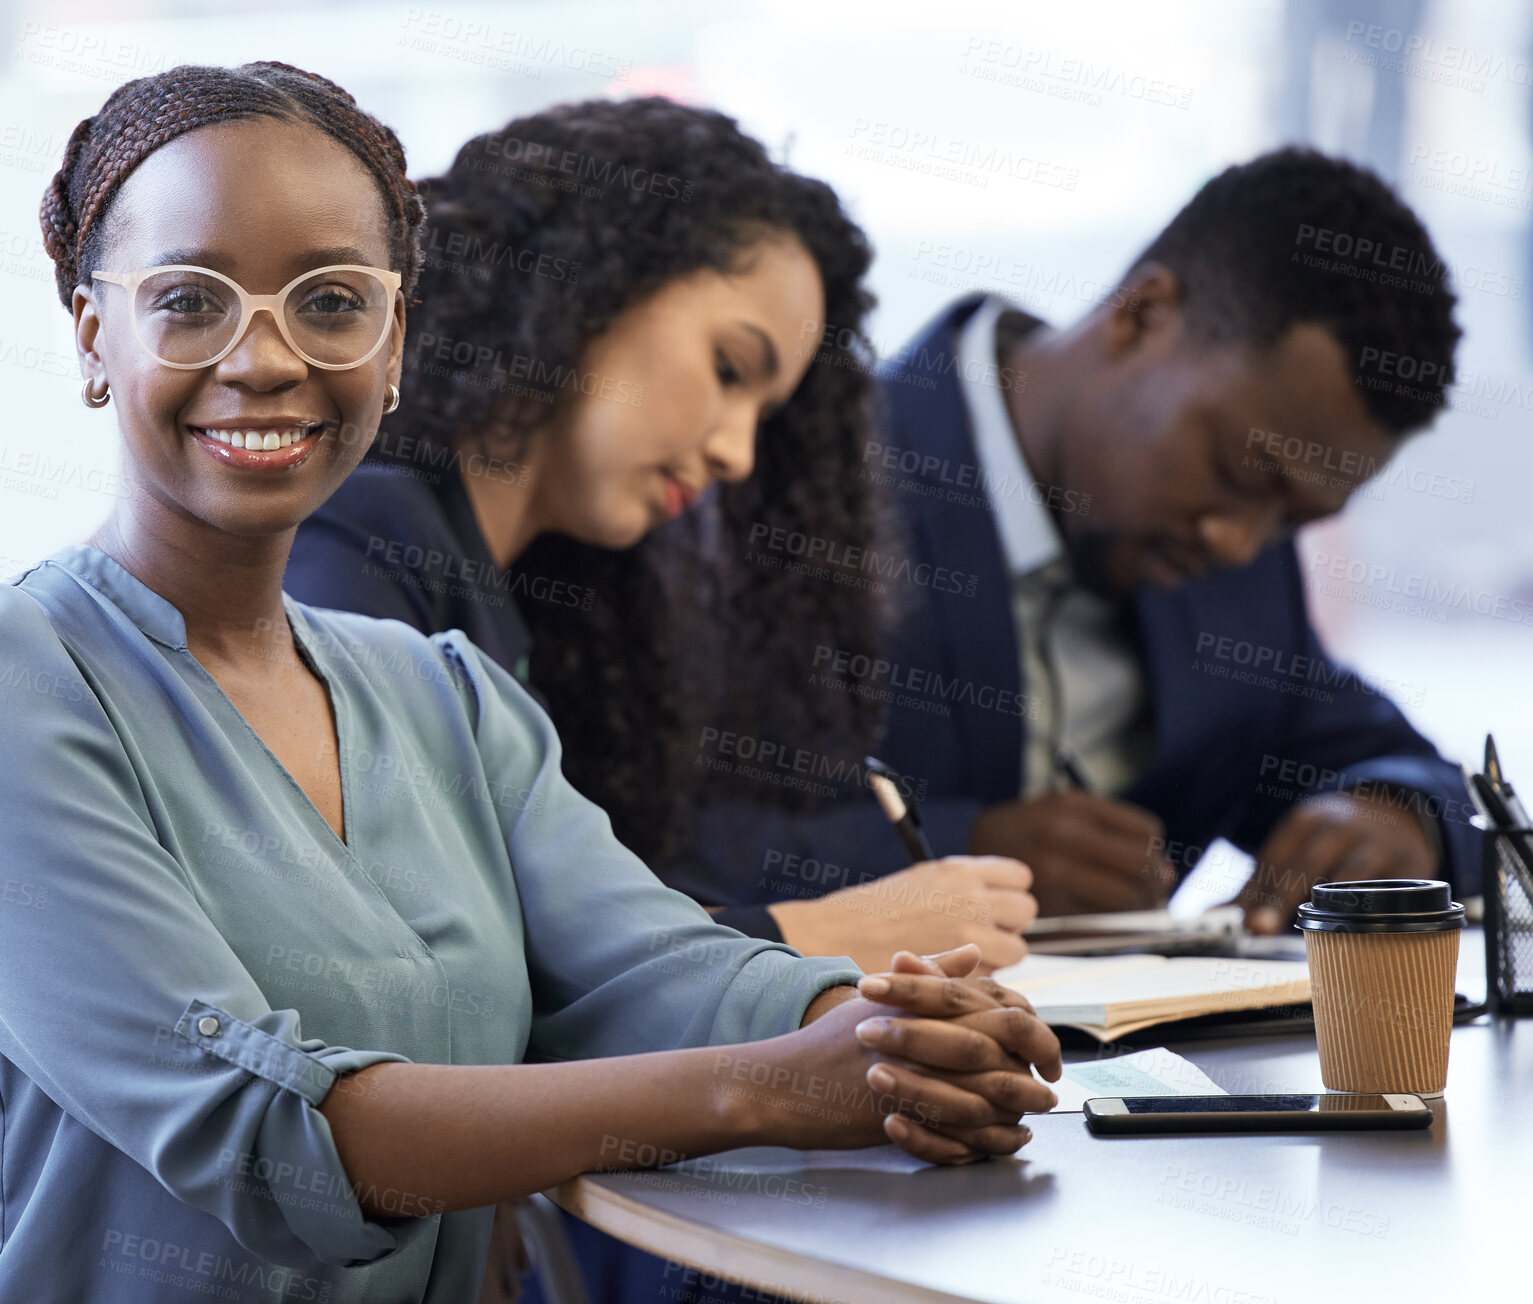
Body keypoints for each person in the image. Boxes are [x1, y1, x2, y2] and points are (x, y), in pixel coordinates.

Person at [0, 61, 1061, 1304]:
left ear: (393, 342)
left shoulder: (445, 693)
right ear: (92, 334)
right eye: (189, 300)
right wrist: (768, 1083)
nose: (266, 356)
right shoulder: (34, 681)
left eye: (331, 302)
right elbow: (263, 1137)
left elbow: (657, 966)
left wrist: (891, 1021)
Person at [283, 98, 1038, 975]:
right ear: (585, 287)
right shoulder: (367, 534)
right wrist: (811, 938)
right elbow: (416, 960)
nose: (734, 452)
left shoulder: (537, 603)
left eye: (764, 414)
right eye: (728, 369)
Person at [690, 147, 1480, 936]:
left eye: (1292, 520)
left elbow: (1414, 771)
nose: (1241, 542)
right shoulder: (784, 476)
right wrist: (952, 853)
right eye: (1239, 470)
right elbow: (633, 836)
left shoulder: (1233, 564)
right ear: (1143, 315)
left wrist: (1400, 815)